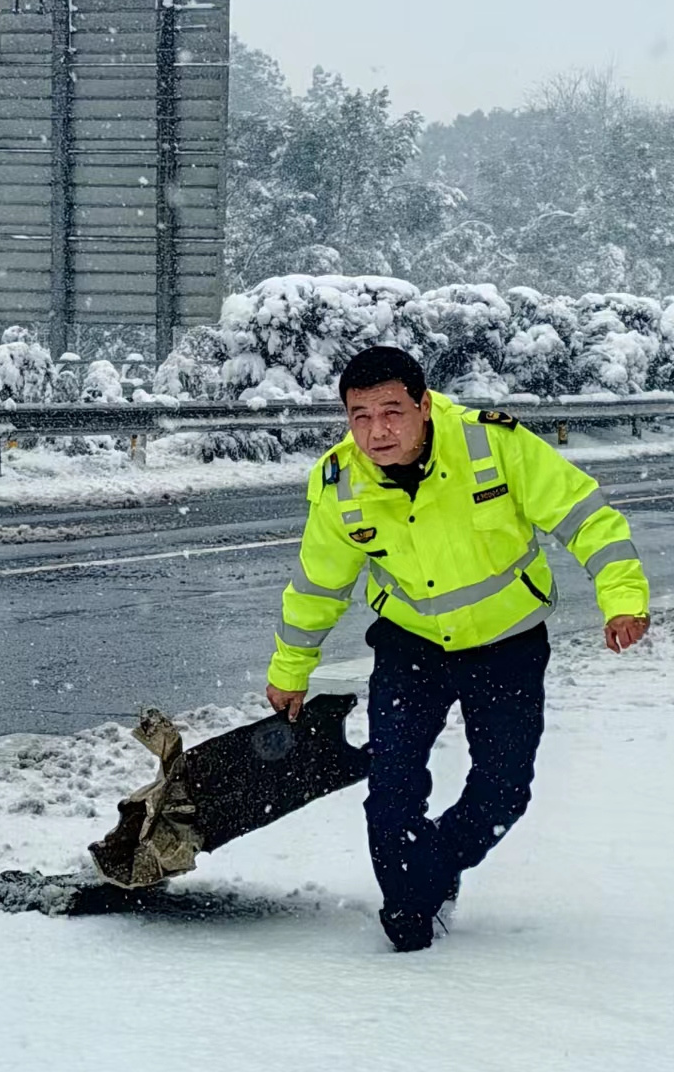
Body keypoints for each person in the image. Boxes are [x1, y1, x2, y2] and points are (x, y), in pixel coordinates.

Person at [265, 346, 650, 952]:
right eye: (359, 417)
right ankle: (409, 912)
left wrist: (621, 597)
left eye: (392, 412)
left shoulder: (493, 445)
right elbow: (317, 588)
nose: (377, 432)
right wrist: (290, 669)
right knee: (392, 789)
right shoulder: (341, 485)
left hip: (508, 644)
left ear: (424, 406)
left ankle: (434, 870)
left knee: (503, 791)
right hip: (409, 646)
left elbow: (586, 518)